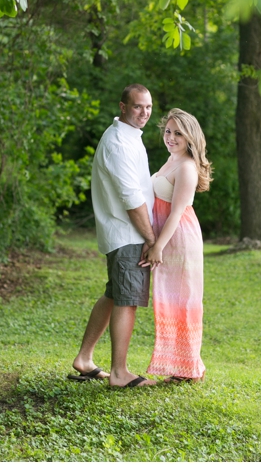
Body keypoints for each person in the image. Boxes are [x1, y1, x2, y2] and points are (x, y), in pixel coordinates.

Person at [69, 84, 157, 388]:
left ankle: (84, 358)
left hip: (124, 232)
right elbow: (131, 198)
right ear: (123, 107)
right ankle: (120, 373)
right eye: (137, 107)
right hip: (127, 233)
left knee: (113, 295)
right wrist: (151, 238)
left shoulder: (130, 137)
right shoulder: (118, 143)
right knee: (127, 300)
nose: (144, 113)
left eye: (148, 107)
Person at [139, 109, 211, 383]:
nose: (170, 137)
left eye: (178, 133)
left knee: (182, 301)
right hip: (167, 237)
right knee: (169, 301)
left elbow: (178, 210)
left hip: (179, 238)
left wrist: (157, 246)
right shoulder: (171, 160)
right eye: (168, 131)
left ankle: (188, 368)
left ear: (190, 136)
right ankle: (184, 366)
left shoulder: (187, 167)